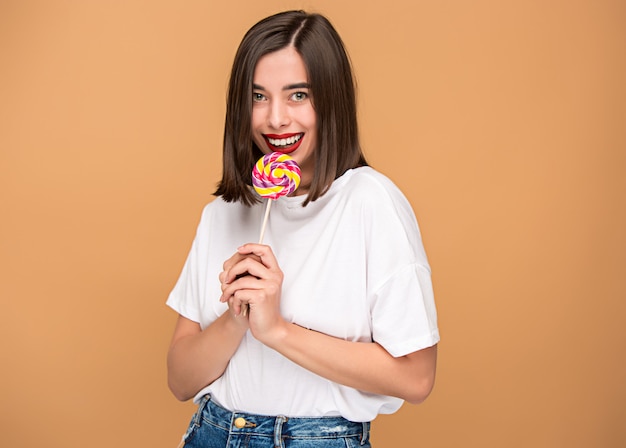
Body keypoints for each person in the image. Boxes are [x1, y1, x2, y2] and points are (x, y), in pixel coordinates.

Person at [166, 10, 439, 448]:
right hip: (213, 434)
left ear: (331, 100)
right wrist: (237, 319)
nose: (275, 119)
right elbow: (180, 380)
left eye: (297, 95)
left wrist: (277, 330)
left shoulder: (370, 202)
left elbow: (416, 376)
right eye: (258, 96)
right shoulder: (223, 212)